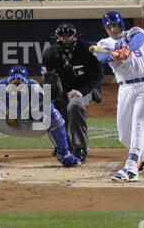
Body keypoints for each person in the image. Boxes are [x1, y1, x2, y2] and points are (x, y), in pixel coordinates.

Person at [0, 65, 82, 168]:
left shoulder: (36, 91)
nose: (16, 87)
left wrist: (25, 113)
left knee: (54, 114)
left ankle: (64, 155)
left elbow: (44, 114)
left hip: (33, 127)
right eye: (13, 83)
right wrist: (8, 112)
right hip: (9, 125)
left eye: (20, 84)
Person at [94, 11, 144, 182]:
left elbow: (139, 40)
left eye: (114, 25)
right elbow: (100, 56)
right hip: (126, 89)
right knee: (124, 136)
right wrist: (112, 54)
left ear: (120, 24)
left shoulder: (134, 32)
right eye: (108, 27)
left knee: (139, 125)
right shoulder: (104, 43)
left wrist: (126, 49)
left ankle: (131, 170)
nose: (112, 29)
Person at [42, 23, 104, 164]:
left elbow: (98, 76)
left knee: (74, 106)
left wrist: (81, 91)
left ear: (75, 36)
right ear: (57, 38)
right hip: (62, 91)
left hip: (85, 88)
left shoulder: (89, 50)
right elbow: (47, 80)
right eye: (62, 36)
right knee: (53, 110)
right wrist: (47, 100)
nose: (65, 40)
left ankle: (80, 148)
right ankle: (64, 145)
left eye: (68, 36)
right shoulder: (49, 54)